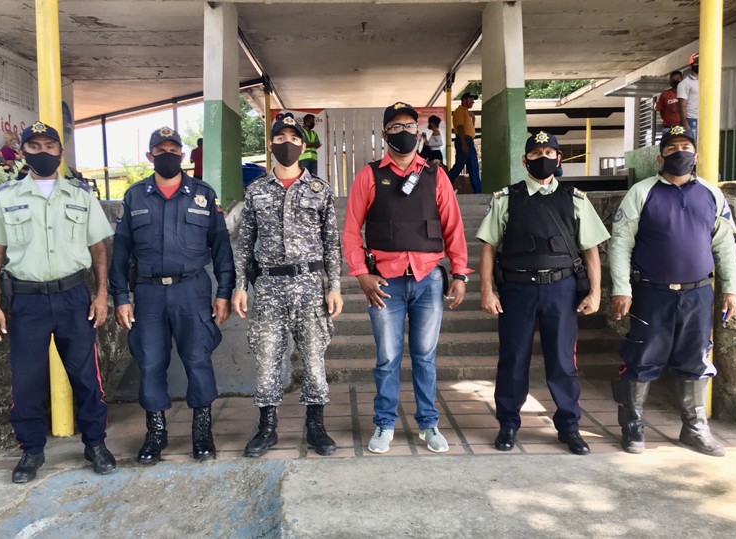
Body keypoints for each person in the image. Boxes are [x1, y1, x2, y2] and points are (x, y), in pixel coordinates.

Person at [0, 121, 116, 483]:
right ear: (23, 151)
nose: (43, 152)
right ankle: (31, 451)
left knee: (86, 377)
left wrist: (102, 294)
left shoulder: (81, 196)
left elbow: (98, 248)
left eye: (50, 146)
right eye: (35, 146)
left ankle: (95, 444)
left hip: (74, 297)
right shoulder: (6, 197)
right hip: (27, 301)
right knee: (27, 381)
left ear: (60, 151)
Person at [343, 102, 471, 454]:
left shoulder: (436, 175)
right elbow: (351, 231)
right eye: (396, 127)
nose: (404, 132)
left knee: (425, 356)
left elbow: (454, 228)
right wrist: (361, 274)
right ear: (385, 134)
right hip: (386, 283)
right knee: (387, 358)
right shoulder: (369, 176)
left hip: (428, 280)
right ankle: (385, 424)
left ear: (419, 132)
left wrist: (460, 272)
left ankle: (428, 424)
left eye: (410, 126)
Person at [608, 125, 736, 457]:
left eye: (685, 148)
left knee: (696, 359)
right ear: (660, 158)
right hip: (652, 293)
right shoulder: (642, 192)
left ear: (696, 156)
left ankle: (694, 428)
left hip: (698, 294)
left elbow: (725, 245)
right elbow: (621, 243)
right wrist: (621, 288)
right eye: (671, 149)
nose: (678, 153)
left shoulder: (711, 194)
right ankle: (633, 424)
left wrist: (731, 288)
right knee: (641, 356)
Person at [477, 130, 610, 456]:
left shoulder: (575, 198)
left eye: (549, 153)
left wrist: (595, 292)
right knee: (513, 359)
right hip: (517, 290)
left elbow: (590, 249)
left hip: (561, 290)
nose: (543, 158)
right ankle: (508, 423)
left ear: (559, 158)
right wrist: (486, 291)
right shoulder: (506, 198)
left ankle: (569, 426)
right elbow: (489, 247)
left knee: (563, 361)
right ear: (525, 161)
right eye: (536, 154)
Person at [109, 126, 234, 465]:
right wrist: (120, 297)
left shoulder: (203, 195)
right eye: (160, 151)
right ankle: (156, 433)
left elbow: (221, 248)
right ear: (149, 156)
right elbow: (120, 252)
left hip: (192, 290)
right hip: (148, 293)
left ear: (182, 154)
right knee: (150, 362)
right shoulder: (135, 196)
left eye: (173, 150)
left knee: (198, 359)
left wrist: (224, 292)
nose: (168, 155)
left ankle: (202, 431)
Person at [232, 113, 343, 458]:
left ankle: (315, 426)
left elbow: (332, 243)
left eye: (294, 139)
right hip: (268, 286)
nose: (287, 144)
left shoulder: (319, 190)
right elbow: (244, 243)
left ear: (302, 144)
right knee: (266, 358)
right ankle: (267, 427)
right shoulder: (256, 191)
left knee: (314, 358)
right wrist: (240, 286)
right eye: (280, 138)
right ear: (271, 143)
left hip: (310, 285)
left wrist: (334, 286)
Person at [447, 92, 481, 193]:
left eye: (473, 100)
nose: (472, 102)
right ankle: (444, 184)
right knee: (459, 166)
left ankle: (478, 191)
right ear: (464, 100)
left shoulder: (465, 112)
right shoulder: (460, 111)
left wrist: (473, 119)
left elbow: (469, 129)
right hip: (464, 140)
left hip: (468, 140)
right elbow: (460, 128)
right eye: (470, 99)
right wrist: (464, 144)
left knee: (473, 167)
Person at [677, 54, 699, 136]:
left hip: (707, 119)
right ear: (691, 66)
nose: (699, 65)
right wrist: (685, 125)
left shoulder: (709, 81)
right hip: (692, 119)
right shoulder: (685, 83)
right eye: (696, 63)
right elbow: (681, 105)